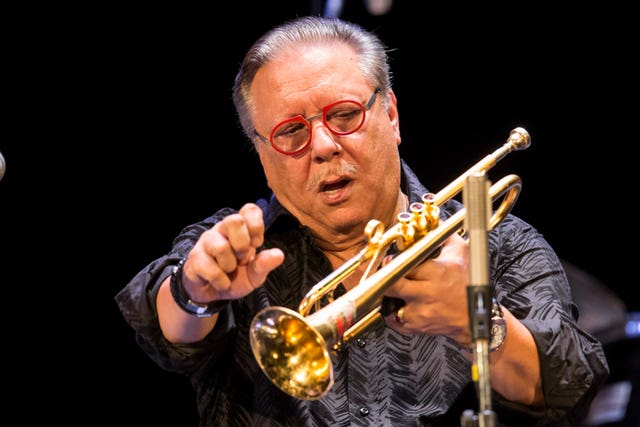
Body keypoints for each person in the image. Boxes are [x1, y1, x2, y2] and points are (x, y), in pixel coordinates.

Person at [115, 15, 609, 426]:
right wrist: (196, 292)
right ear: (262, 154)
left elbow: (570, 388)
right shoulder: (235, 244)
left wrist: (478, 321)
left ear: (391, 115)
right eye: (290, 132)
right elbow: (163, 327)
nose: (325, 146)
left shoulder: (501, 244)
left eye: (345, 115)